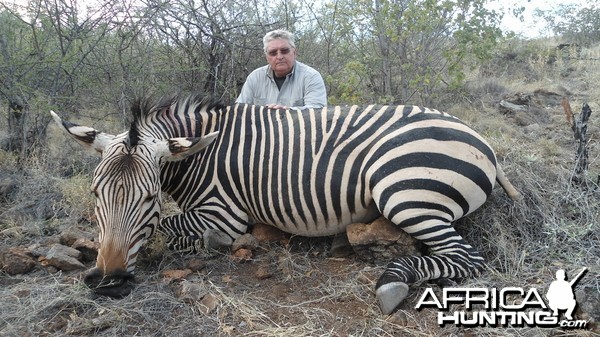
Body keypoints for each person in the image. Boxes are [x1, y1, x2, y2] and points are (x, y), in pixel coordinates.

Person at [236, 29, 327, 110]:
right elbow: (239, 110)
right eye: (273, 53)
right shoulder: (254, 78)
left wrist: (288, 112)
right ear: (266, 57)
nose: (279, 57)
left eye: (284, 51)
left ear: (294, 52)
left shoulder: (311, 76)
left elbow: (317, 111)